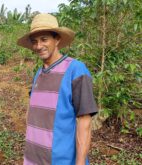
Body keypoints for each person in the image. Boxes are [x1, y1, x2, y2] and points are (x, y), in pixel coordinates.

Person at [17, 13, 98, 165]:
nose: (38, 46)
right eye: (34, 42)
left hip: (62, 160)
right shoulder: (38, 74)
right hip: (33, 158)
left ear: (57, 39)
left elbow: (84, 122)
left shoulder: (76, 70)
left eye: (44, 39)